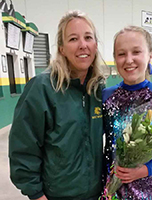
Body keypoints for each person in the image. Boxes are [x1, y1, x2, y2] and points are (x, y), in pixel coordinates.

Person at [9, 10, 105, 200]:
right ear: (61, 48)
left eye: (88, 37)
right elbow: (23, 148)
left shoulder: (98, 90)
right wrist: (36, 193)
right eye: (73, 39)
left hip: (97, 194)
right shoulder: (42, 89)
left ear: (95, 45)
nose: (82, 45)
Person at [102, 26, 152, 199]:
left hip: (150, 189)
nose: (129, 60)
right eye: (121, 54)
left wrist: (144, 170)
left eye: (136, 52)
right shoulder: (106, 97)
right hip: (113, 186)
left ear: (150, 55)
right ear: (115, 58)